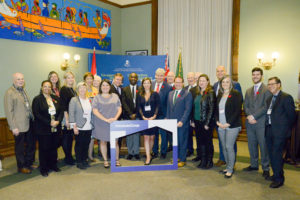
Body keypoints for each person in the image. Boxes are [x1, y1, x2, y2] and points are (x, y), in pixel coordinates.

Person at [265, 77, 296, 188]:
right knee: (271, 154)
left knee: (276, 154)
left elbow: (292, 116)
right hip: (269, 130)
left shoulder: (286, 97)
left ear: (279, 85)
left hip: (280, 133)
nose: (270, 86)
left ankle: (279, 179)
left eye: (273, 84)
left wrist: (285, 130)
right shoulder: (269, 99)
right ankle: (276, 174)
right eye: (269, 84)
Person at [4, 73, 35, 174]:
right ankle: (21, 167)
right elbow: (9, 111)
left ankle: (29, 163)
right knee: (20, 148)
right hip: (18, 126)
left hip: (29, 123)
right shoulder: (9, 92)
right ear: (14, 81)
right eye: (18, 79)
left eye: (22, 79)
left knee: (30, 145)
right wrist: (13, 127)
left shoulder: (23, 90)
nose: (21, 81)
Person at [243, 67, 271, 178]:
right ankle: (254, 165)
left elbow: (266, 106)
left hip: (261, 123)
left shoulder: (267, 90)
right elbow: (246, 105)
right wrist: (250, 116)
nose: (255, 76)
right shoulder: (248, 90)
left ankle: (265, 168)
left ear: (261, 76)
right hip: (250, 123)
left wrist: (254, 116)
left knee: (263, 146)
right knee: (251, 145)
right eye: (253, 74)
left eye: (257, 74)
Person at [213, 65, 242, 167]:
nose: (220, 73)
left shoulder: (235, 85)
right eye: (218, 71)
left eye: (222, 71)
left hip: (230, 122)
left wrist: (229, 122)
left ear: (225, 72)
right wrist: (217, 120)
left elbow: (238, 105)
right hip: (219, 121)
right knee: (222, 142)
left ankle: (231, 163)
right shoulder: (216, 85)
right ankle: (223, 159)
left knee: (230, 144)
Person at [32, 80, 63, 177]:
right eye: (45, 86)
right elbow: (37, 114)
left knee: (54, 148)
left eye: (49, 87)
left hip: (55, 128)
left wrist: (58, 121)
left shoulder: (55, 98)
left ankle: (53, 165)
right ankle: (44, 168)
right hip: (43, 129)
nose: (47, 88)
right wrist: (49, 122)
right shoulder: (37, 99)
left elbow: (61, 111)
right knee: (44, 149)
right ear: (42, 87)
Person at [92, 80, 122, 168]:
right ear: (100, 87)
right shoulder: (97, 97)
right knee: (103, 142)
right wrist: (105, 119)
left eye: (107, 85)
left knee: (115, 142)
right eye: (103, 85)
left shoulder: (115, 96)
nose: (105, 87)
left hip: (113, 122)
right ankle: (105, 160)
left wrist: (115, 118)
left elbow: (119, 108)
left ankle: (116, 160)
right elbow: (94, 110)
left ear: (110, 87)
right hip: (101, 123)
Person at [190, 74, 215, 169]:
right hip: (197, 121)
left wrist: (207, 123)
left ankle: (209, 161)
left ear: (207, 82)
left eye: (203, 81)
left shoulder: (210, 92)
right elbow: (194, 108)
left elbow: (212, 109)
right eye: (200, 81)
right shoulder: (197, 93)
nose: (201, 82)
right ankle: (203, 161)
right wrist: (192, 120)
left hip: (206, 123)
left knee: (208, 142)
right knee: (200, 142)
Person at [166, 76, 192, 167]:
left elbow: (187, 110)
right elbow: (169, 108)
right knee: (175, 141)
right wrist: (167, 118)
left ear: (183, 83)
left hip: (181, 123)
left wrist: (182, 121)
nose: (177, 84)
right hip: (172, 123)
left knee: (182, 141)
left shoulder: (187, 94)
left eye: (179, 82)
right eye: (176, 82)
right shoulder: (170, 93)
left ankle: (183, 159)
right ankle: (176, 157)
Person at [69, 82, 93, 170]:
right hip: (79, 126)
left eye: (84, 88)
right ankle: (79, 161)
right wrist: (74, 126)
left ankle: (84, 160)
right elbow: (71, 113)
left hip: (89, 126)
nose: (82, 90)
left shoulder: (90, 99)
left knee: (86, 144)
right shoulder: (74, 100)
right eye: (80, 88)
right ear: (77, 89)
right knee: (79, 145)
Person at [137, 78, 160, 165]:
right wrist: (142, 116)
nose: (146, 85)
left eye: (148, 83)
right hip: (144, 119)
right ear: (142, 85)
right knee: (146, 137)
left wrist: (154, 116)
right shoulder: (140, 94)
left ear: (150, 84)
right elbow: (138, 107)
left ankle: (149, 152)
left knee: (152, 137)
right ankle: (148, 157)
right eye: (145, 83)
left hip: (153, 119)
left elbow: (158, 105)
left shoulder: (155, 94)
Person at [152, 68, 172, 159]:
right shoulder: (150, 84)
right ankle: (154, 151)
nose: (159, 77)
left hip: (163, 115)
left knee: (163, 135)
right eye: (157, 75)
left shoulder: (168, 87)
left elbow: (169, 103)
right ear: (155, 75)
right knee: (154, 134)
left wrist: (167, 116)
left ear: (164, 76)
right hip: (152, 115)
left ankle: (163, 152)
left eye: (161, 75)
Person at [121, 73, 140, 160]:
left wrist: (136, 114)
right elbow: (123, 103)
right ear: (129, 78)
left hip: (137, 115)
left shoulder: (140, 89)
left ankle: (136, 152)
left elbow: (141, 103)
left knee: (136, 134)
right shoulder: (124, 89)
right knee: (129, 134)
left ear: (137, 79)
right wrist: (130, 114)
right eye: (131, 77)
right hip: (128, 116)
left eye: (135, 77)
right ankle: (130, 152)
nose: (133, 78)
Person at [60, 72, 76, 165]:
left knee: (70, 138)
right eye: (68, 78)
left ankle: (69, 156)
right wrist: (67, 120)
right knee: (66, 138)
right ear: (65, 79)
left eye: (72, 77)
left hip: (72, 117)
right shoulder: (64, 89)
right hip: (67, 117)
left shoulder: (72, 89)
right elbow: (64, 106)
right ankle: (68, 158)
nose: (70, 79)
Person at [88, 74, 102, 161]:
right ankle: (90, 154)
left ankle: (101, 152)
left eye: (98, 81)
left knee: (101, 135)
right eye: (95, 80)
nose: (96, 82)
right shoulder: (88, 90)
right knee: (91, 137)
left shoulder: (102, 90)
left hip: (100, 117)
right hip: (91, 117)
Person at [184, 72, 197, 157]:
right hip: (186, 116)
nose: (190, 79)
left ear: (195, 78)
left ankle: (200, 153)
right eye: (188, 78)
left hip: (195, 116)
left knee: (198, 136)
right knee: (188, 134)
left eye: (191, 77)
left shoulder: (198, 88)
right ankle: (190, 150)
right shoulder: (185, 88)